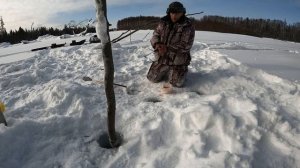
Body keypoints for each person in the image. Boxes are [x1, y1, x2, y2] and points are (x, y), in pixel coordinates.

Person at [147, 1, 195, 88]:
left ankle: (181, 70)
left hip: (178, 60)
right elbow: (155, 35)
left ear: (182, 13)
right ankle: (165, 68)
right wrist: (157, 44)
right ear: (169, 12)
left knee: (177, 83)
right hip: (163, 58)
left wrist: (167, 48)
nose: (174, 16)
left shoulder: (187, 26)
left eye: (177, 13)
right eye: (172, 13)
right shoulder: (163, 22)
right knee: (151, 78)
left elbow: (186, 45)